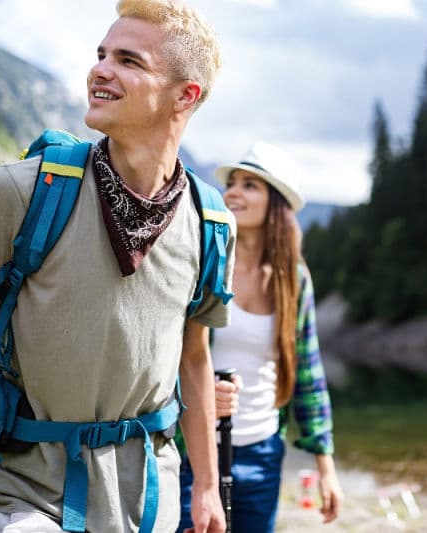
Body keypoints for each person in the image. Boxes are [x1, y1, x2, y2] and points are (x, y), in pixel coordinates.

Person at [0, 1, 232, 532]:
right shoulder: (23, 189)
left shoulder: (211, 223)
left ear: (185, 95)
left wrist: (205, 486)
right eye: (101, 54)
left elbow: (194, 360)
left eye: (129, 60)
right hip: (25, 487)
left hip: (149, 495)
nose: (100, 69)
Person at [177, 142, 343, 533]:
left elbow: (308, 374)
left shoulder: (294, 280)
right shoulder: (203, 263)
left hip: (264, 452)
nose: (233, 191)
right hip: (192, 452)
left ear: (278, 204)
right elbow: (168, 356)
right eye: (232, 183)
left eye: (250, 185)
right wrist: (197, 395)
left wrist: (325, 465)